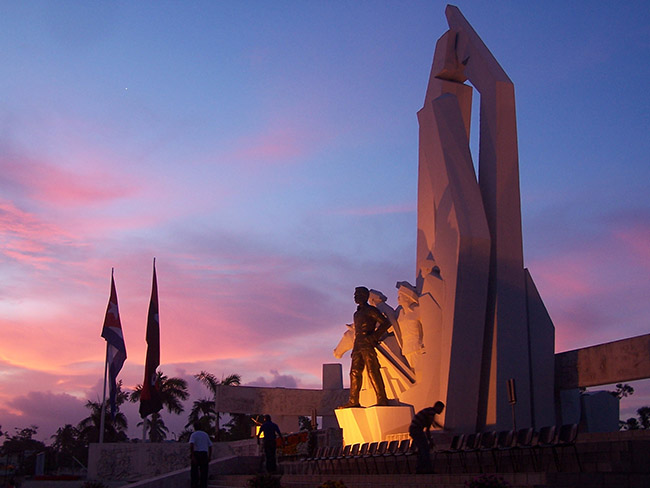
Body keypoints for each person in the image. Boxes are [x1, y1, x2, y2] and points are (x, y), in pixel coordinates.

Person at [339, 286, 392, 408]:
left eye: (358, 294)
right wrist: (355, 348)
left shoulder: (370, 310)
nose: (355, 296)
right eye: (355, 294)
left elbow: (386, 323)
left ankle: (382, 399)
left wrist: (374, 336)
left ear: (365, 296)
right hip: (358, 345)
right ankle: (353, 401)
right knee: (354, 372)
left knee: (372, 370)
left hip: (368, 344)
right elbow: (357, 332)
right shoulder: (356, 314)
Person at [409, 401, 445, 474]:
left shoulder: (429, 411)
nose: (441, 411)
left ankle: (420, 468)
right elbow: (429, 428)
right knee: (425, 449)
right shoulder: (431, 413)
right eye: (441, 409)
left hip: (414, 429)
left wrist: (442, 427)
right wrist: (430, 441)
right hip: (416, 430)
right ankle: (427, 469)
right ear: (437, 407)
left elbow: (433, 423)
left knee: (422, 449)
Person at [189, 422, 213, 488]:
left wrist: (193, 456)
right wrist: (209, 456)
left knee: (194, 473)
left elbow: (191, 445)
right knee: (204, 473)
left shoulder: (194, 435)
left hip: (197, 454)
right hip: (204, 454)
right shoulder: (205, 434)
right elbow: (210, 446)